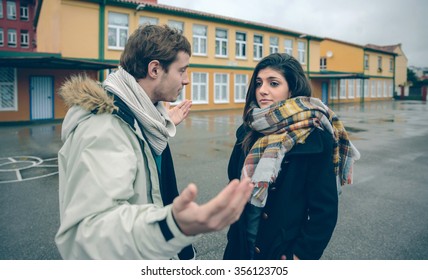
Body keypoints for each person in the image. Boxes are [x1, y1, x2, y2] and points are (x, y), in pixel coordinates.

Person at [55, 24, 254, 260]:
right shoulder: (104, 128)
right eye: (182, 71)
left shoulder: (141, 118)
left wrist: (160, 123)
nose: (187, 80)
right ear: (155, 69)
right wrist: (171, 227)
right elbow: (86, 235)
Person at [223, 53, 360, 260]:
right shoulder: (248, 130)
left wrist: (301, 255)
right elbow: (233, 181)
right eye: (259, 83)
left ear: (292, 89)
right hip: (241, 244)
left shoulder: (315, 137)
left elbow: (324, 210)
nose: (262, 90)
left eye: (274, 83)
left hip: (280, 250)